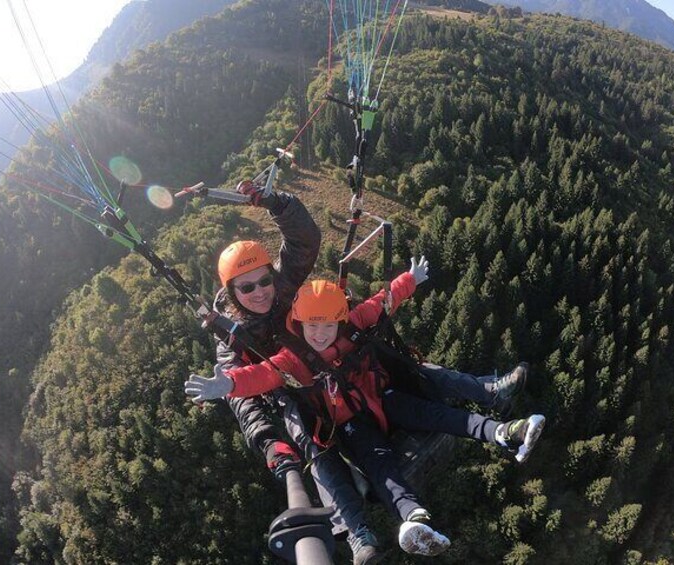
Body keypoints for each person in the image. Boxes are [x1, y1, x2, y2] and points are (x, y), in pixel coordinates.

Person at [186, 257, 546, 556]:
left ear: (340, 320)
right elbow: (264, 375)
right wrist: (229, 384)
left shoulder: (351, 323)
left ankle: (507, 432)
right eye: (312, 326)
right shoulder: (292, 357)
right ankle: (413, 519)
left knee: (440, 415)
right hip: (349, 422)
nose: (321, 334)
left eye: (328, 325)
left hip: (382, 396)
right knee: (380, 466)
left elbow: (382, 302)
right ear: (299, 325)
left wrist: (410, 279)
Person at [209, 180, 386, 564]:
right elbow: (241, 397)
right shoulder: (231, 339)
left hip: (330, 367)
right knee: (313, 443)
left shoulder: (284, 289)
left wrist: (274, 202)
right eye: (247, 287)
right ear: (232, 292)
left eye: (264, 280)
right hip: (294, 393)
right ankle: (358, 533)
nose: (260, 292)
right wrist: (269, 443)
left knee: (385, 374)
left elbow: (305, 240)